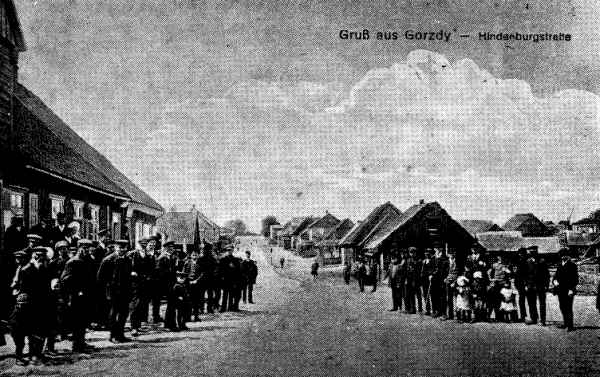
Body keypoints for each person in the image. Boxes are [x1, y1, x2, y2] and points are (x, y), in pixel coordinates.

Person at [9, 247, 51, 366]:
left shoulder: (44, 268)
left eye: (43, 255)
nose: (41, 257)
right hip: (26, 306)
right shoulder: (26, 269)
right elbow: (18, 289)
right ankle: (19, 357)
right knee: (20, 332)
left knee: (37, 332)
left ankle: (35, 355)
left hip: (39, 305)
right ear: (34, 255)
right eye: (38, 255)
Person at [60, 239, 95, 352]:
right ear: (79, 248)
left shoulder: (88, 260)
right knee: (77, 321)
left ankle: (81, 342)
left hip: (86, 295)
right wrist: (76, 289)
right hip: (76, 296)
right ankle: (77, 345)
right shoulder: (73, 262)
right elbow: (65, 279)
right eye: (83, 248)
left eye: (87, 248)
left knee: (84, 320)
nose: (86, 250)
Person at [97, 240, 133, 343]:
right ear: (115, 247)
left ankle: (121, 335)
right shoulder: (108, 260)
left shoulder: (128, 259)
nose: (122, 250)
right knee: (113, 314)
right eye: (120, 247)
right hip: (113, 291)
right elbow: (100, 277)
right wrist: (107, 289)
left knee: (124, 313)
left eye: (124, 248)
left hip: (125, 291)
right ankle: (113, 335)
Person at [128, 238, 154, 336]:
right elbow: (128, 266)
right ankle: (133, 327)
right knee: (135, 304)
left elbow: (151, 268)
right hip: (135, 283)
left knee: (142, 304)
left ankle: (138, 325)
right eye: (142, 244)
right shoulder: (133, 254)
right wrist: (132, 273)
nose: (143, 246)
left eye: (145, 244)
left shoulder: (148, 255)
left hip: (145, 283)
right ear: (139, 244)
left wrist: (148, 276)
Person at [552, 248, 578, 332]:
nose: (563, 257)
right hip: (560, 290)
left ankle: (570, 326)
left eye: (564, 255)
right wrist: (554, 281)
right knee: (562, 307)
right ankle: (565, 323)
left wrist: (571, 289)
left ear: (567, 256)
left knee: (568, 307)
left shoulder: (572, 265)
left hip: (568, 290)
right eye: (561, 255)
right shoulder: (560, 265)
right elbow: (555, 276)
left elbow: (575, 279)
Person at [524, 245, 550, 326]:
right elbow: (525, 275)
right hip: (530, 285)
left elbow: (546, 274)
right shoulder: (527, 261)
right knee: (531, 303)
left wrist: (546, 285)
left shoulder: (542, 261)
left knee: (542, 303)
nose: (533, 253)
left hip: (540, 285)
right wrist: (526, 285)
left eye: (534, 252)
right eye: (531, 252)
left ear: (537, 252)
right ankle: (534, 318)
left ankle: (542, 320)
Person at [488, 254, 511, 321]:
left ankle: (501, 317)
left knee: (502, 300)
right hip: (496, 283)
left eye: (502, 257)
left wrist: (507, 277)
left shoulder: (505, 265)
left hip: (503, 284)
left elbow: (509, 273)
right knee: (496, 300)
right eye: (499, 257)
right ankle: (496, 316)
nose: (500, 258)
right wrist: (491, 279)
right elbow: (489, 271)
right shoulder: (494, 265)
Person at [219, 246, 242, 312]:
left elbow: (238, 271)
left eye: (230, 250)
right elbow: (221, 270)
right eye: (228, 250)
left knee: (231, 294)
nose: (229, 251)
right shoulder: (223, 259)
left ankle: (230, 307)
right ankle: (223, 308)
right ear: (226, 251)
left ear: (232, 251)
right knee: (225, 295)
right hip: (225, 280)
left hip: (232, 280)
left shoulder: (235, 260)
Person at [183, 249, 203, 321]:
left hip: (197, 285)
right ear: (191, 256)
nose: (194, 256)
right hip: (189, 285)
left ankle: (196, 316)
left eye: (196, 255)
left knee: (197, 301)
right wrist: (189, 281)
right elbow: (184, 274)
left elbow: (202, 274)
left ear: (198, 256)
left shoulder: (200, 263)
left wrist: (196, 280)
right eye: (193, 255)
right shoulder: (187, 263)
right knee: (188, 301)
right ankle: (188, 317)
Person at [441, 250, 460, 320]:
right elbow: (443, 272)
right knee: (446, 298)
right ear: (448, 255)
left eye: (453, 253)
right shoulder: (445, 262)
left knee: (454, 298)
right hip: (447, 281)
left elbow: (459, 272)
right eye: (450, 253)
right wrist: (445, 279)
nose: (452, 255)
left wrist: (455, 282)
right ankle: (445, 314)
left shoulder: (457, 262)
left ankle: (453, 314)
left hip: (455, 282)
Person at [198, 247, 218, 314]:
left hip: (205, 279)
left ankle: (202, 309)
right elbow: (215, 269)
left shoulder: (200, 259)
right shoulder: (212, 259)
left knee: (203, 295)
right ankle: (208, 309)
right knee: (207, 295)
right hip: (208, 279)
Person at [431, 248, 448, 318]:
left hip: (441, 279)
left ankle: (443, 312)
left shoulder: (444, 258)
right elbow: (431, 268)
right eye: (435, 249)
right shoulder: (433, 258)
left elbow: (446, 269)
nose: (436, 250)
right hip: (434, 280)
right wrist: (431, 274)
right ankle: (437, 311)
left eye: (438, 249)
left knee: (442, 296)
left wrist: (444, 277)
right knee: (435, 296)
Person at [513, 247, 529, 322]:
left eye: (522, 253)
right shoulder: (517, 261)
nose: (521, 255)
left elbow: (527, 274)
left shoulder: (527, 261)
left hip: (525, 283)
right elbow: (515, 273)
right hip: (519, 283)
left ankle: (530, 317)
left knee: (529, 300)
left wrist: (526, 283)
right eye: (520, 253)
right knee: (521, 300)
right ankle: (523, 316)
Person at [420, 249, 435, 316]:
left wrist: (430, 274)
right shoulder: (424, 261)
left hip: (430, 279)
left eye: (428, 253)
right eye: (425, 253)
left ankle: (434, 310)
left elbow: (433, 270)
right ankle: (428, 309)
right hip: (424, 280)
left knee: (432, 295)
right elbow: (422, 270)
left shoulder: (433, 261)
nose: (426, 255)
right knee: (425, 295)